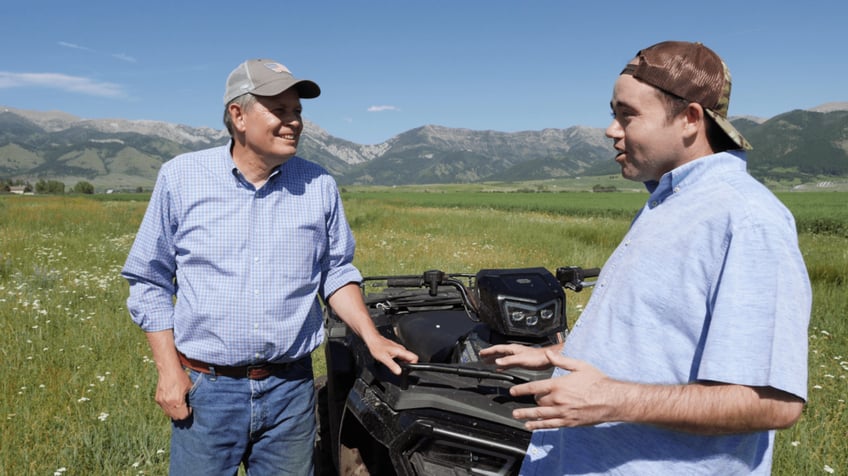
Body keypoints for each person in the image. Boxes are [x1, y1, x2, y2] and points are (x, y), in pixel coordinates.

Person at [480, 41, 811, 475]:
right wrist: (561, 354)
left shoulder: (746, 220)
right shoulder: (670, 202)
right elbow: (665, 337)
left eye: (627, 115)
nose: (610, 130)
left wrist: (613, 399)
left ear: (690, 119)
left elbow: (773, 403)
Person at [122, 58, 418, 475]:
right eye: (279, 110)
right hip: (207, 392)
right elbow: (148, 280)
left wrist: (371, 337)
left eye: (297, 111)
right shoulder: (181, 178)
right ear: (238, 115)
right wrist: (169, 372)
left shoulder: (318, 185)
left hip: (290, 391)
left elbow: (335, 272)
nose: (293, 121)